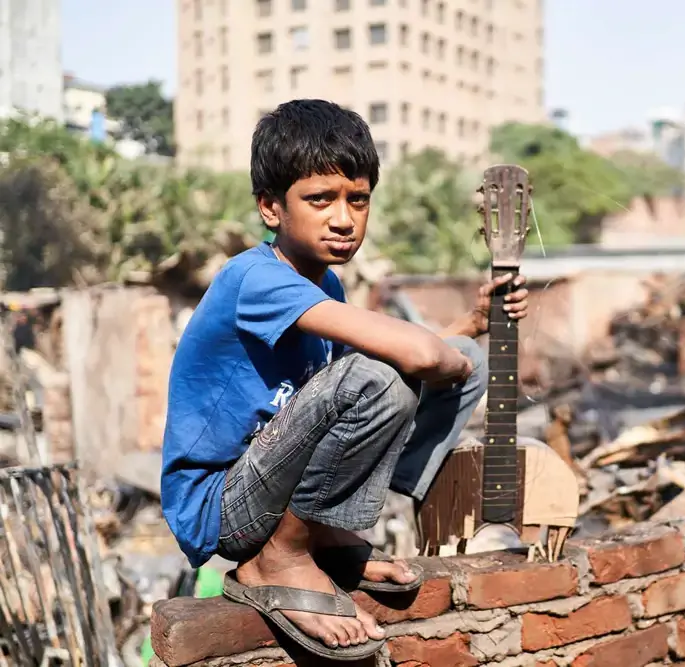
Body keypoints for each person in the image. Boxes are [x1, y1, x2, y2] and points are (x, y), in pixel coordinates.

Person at [159, 99, 529, 660]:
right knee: (387, 378)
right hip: (222, 508)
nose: (343, 218)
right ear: (270, 208)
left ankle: (327, 537)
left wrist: (470, 329)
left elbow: (415, 358)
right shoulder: (256, 279)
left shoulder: (325, 286)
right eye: (320, 199)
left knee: (458, 360)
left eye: (358, 200)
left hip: (271, 484)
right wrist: (440, 355)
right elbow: (410, 360)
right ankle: (279, 558)